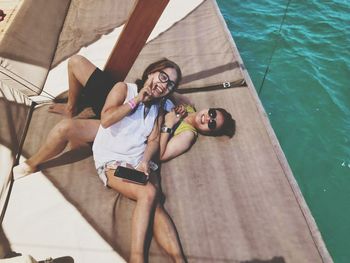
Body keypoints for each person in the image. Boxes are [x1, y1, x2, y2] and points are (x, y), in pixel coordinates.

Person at [14, 57, 186, 263]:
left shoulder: (159, 109)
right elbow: (106, 120)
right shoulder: (124, 89)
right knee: (149, 193)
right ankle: (137, 259)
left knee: (153, 201)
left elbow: (153, 140)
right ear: (151, 72)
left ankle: (180, 260)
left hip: (136, 159)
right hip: (113, 160)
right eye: (163, 77)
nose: (164, 85)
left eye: (170, 84)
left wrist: (145, 161)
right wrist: (137, 100)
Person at [159, 104, 235, 162]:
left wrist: (169, 123)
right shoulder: (189, 108)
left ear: (208, 133)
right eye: (212, 113)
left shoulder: (188, 134)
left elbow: (161, 156)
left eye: (212, 124)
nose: (208, 118)